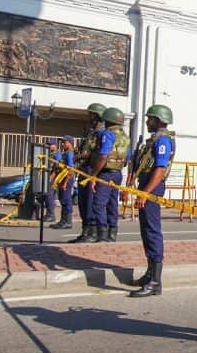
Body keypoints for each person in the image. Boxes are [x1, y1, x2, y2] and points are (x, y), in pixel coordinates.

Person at [125, 105, 176, 297]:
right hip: (146, 185)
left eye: (150, 119)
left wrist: (145, 193)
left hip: (152, 187)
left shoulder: (163, 140)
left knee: (152, 230)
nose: (147, 122)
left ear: (160, 120)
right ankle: (149, 274)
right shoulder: (154, 139)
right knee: (146, 230)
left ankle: (155, 281)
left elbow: (160, 170)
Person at [89, 107, 130, 243]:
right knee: (113, 203)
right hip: (118, 173)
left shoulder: (107, 134)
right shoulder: (125, 137)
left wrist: (94, 175)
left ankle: (102, 233)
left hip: (105, 173)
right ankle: (113, 232)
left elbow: (103, 156)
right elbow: (127, 158)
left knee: (98, 204)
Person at [69, 103, 106, 243]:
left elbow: (97, 152)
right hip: (84, 168)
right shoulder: (90, 131)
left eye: (92, 114)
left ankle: (93, 232)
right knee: (83, 202)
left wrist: (82, 156)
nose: (89, 117)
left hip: (92, 168)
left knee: (90, 202)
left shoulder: (102, 132)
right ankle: (85, 231)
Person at [50, 136, 76, 229]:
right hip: (62, 179)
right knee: (62, 199)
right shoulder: (65, 153)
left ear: (69, 143)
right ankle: (62, 221)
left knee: (66, 200)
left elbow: (71, 170)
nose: (62, 144)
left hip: (67, 179)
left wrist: (65, 183)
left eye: (64, 142)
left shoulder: (69, 154)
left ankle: (68, 222)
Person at [42, 139, 60, 223]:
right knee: (47, 196)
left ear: (55, 145)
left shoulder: (57, 155)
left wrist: (52, 177)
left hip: (52, 178)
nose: (48, 146)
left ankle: (51, 215)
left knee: (50, 196)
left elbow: (57, 168)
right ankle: (48, 214)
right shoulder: (50, 154)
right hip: (47, 177)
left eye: (50, 144)